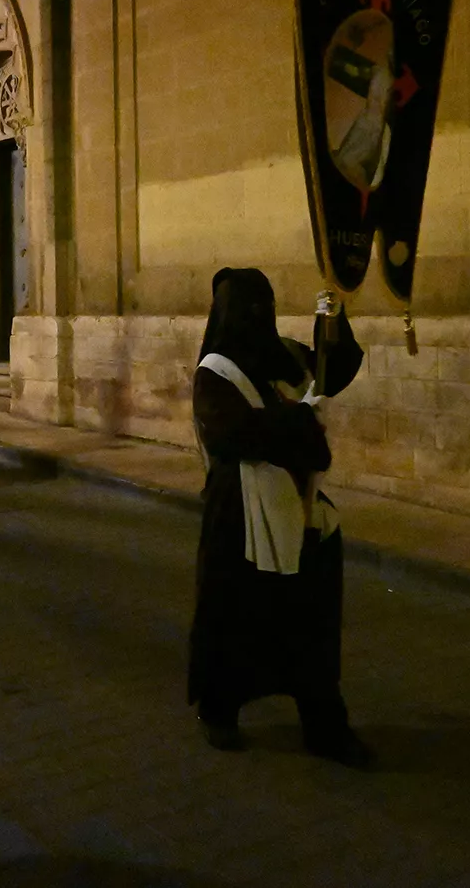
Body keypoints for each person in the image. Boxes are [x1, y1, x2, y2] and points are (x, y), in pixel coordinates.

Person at [186, 267, 373, 767]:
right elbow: (235, 436)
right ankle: (220, 709)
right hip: (240, 521)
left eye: (265, 307)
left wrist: (331, 319)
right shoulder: (215, 371)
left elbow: (331, 374)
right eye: (249, 309)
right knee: (235, 621)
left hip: (301, 512)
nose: (258, 318)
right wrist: (300, 421)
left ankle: (324, 726)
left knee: (311, 625)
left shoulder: (285, 356)